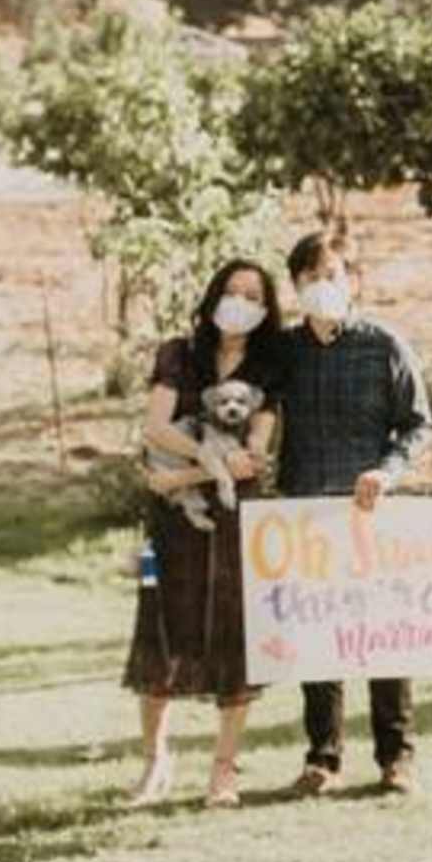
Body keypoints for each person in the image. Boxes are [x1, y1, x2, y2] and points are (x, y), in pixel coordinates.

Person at [267, 228, 432, 797]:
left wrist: (387, 471)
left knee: (384, 638)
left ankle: (396, 757)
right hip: (304, 514)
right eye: (310, 278)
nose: (322, 286)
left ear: (352, 280)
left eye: (331, 275)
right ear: (294, 287)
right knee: (317, 638)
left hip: (371, 516)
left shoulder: (384, 346)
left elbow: (418, 424)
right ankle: (323, 757)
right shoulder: (283, 354)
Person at [125, 259, 275, 807]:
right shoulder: (178, 355)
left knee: (234, 638)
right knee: (161, 632)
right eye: (232, 290)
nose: (241, 301)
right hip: (174, 522)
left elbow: (251, 459)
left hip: (235, 520)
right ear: (214, 296)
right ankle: (155, 759)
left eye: (253, 295)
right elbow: (156, 426)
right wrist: (208, 459)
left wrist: (180, 474)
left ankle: (223, 770)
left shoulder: (267, 370)